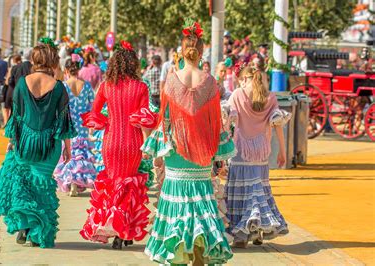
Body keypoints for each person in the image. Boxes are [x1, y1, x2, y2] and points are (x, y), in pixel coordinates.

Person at [143, 20, 232, 265]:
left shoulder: (171, 81)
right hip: (201, 154)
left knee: (177, 208)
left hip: (176, 152)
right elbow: (216, 123)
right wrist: (219, 156)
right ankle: (200, 257)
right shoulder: (210, 82)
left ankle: (179, 256)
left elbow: (166, 121)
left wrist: (158, 153)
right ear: (202, 52)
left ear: (182, 51)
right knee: (202, 207)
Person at [0, 41, 76, 248]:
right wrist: (68, 149)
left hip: (25, 143)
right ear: (52, 61)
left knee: (24, 185)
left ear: (34, 60)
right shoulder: (59, 87)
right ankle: (38, 233)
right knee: (42, 188)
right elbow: (64, 120)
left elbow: (16, 117)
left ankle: (24, 226)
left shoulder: (22, 83)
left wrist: (12, 142)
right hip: (49, 145)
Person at [80, 40, 157, 249]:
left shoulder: (106, 86)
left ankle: (114, 228)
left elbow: (94, 113)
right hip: (133, 143)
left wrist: (106, 122)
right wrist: (149, 144)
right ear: (133, 65)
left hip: (111, 142)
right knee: (129, 187)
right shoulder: (141, 87)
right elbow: (143, 120)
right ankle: (124, 232)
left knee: (114, 185)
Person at [225, 65, 290, 248]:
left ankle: (240, 235)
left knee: (240, 193)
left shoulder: (237, 94)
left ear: (247, 78)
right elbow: (278, 126)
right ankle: (257, 230)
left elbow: (227, 122)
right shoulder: (270, 98)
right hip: (261, 151)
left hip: (240, 151)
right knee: (258, 190)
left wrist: (220, 150)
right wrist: (282, 152)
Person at [54, 55, 97, 196]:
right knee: (81, 154)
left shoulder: (64, 86)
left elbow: (59, 107)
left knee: (69, 152)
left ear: (67, 70)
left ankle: (71, 182)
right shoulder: (86, 86)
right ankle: (76, 183)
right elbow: (93, 104)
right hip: (83, 124)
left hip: (69, 124)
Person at [2, 54, 22, 122]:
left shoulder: (12, 68)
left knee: (6, 109)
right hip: (20, 91)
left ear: (13, 61)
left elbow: (8, 82)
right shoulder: (24, 67)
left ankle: (6, 126)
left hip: (11, 90)